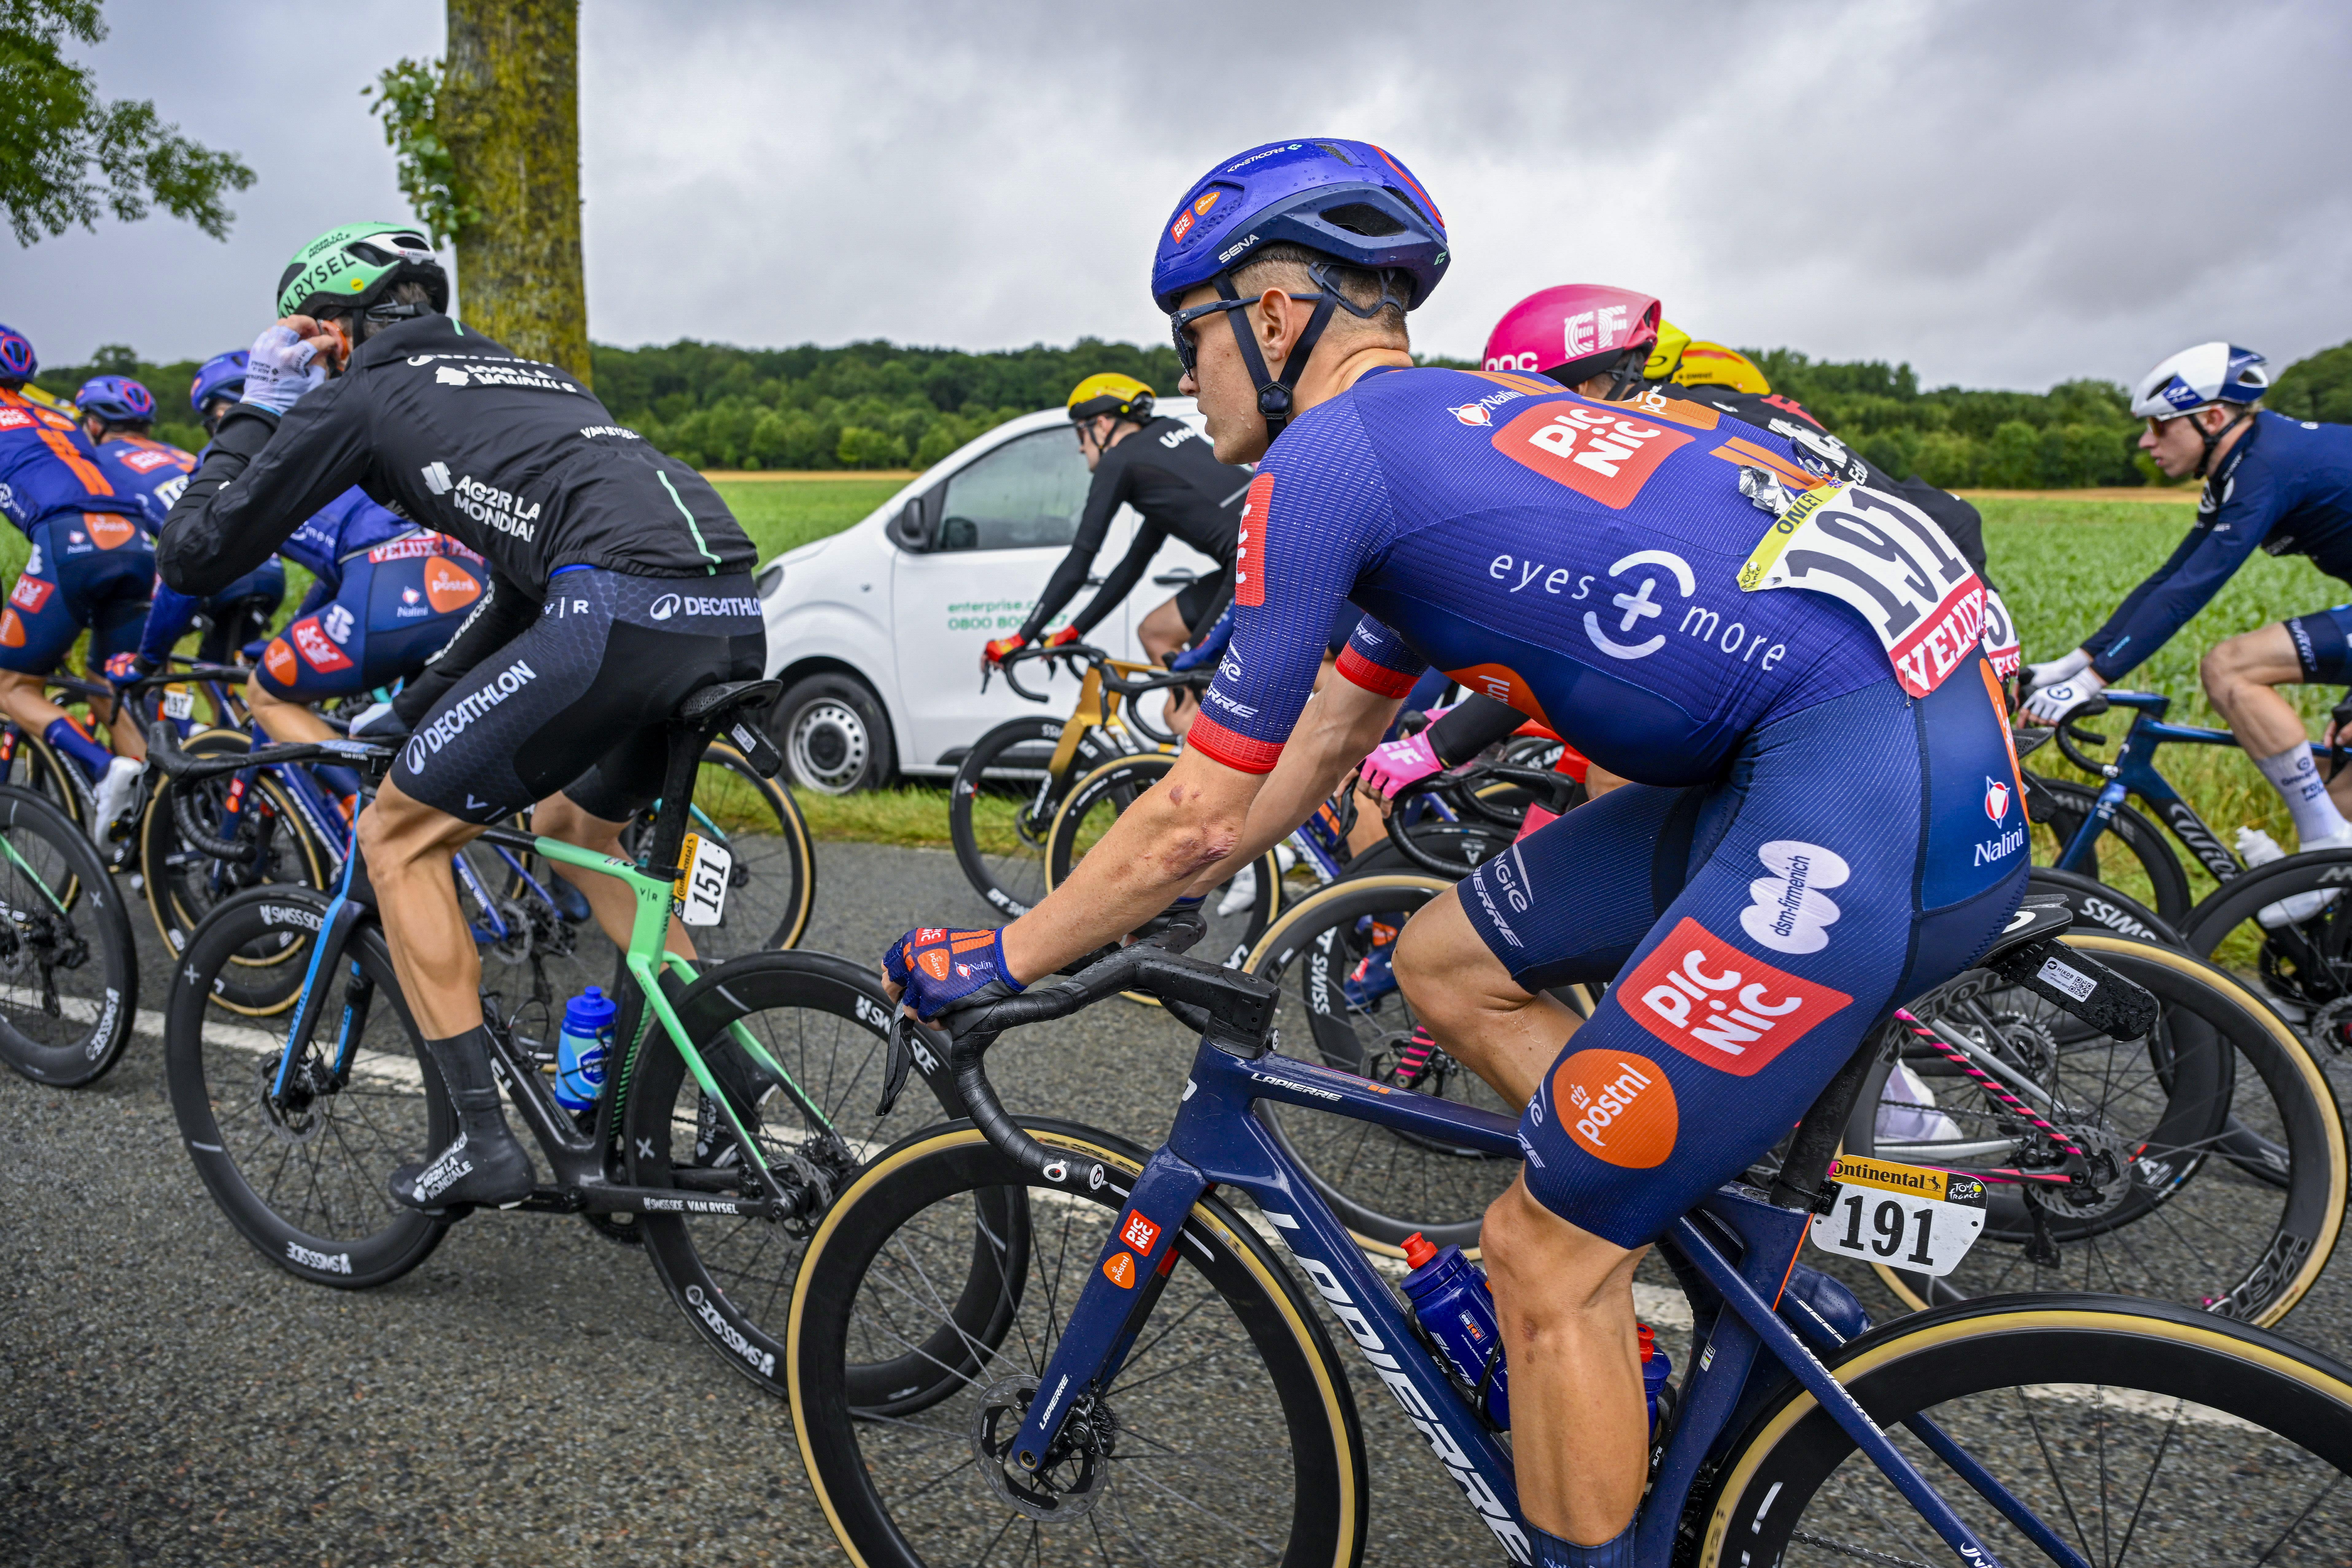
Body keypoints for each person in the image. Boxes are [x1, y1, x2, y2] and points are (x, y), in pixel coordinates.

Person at [878, 141, 2025, 1567]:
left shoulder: (1330, 456)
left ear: (1277, 314)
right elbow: (1303, 758)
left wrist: (1003, 950)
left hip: (1858, 795)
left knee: (1537, 1250)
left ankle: (1593, 1270)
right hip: (1867, 758)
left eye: (1193, 339)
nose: (1191, 381)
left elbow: (1196, 816)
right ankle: (1667, 1213)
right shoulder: (1454, 430)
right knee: (1441, 954)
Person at [159, 222, 763, 1214]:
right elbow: (525, 590)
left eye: (305, 344)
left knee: (395, 834)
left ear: (333, 332)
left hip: (614, 613)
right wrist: (420, 706)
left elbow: (195, 555)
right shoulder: (538, 379)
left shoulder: (362, 393)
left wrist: (255, 415)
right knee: (576, 831)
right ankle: (739, 1082)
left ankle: (481, 1143)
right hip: (728, 612)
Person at [1365, 285, 2018, 812]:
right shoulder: (1705, 408)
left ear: (1589, 384)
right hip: (1936, 620)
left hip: (1910, 653)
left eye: (1540, 399)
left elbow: (1579, 625)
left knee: (1621, 782)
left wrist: (1443, 743)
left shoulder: (1657, 439)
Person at [2023, 342, 2352, 916]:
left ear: (2213, 418)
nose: (2146, 441)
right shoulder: (2242, 462)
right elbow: (2168, 575)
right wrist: (2073, 664)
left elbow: (2194, 587)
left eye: (2159, 425)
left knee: (2230, 668)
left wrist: (2092, 682)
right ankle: (2319, 988)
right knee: (2340, 791)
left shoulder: (2263, 466)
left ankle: (2324, 849)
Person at [981, 372, 1251, 733]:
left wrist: (1021, 637)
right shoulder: (1162, 441)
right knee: (1157, 632)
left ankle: (1230, 775)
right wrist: (1075, 630)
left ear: (1102, 424)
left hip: (1250, 563)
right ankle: (1199, 737)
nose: (1081, 448)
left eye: (1081, 434)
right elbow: (1134, 563)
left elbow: (1080, 561)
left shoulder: (1120, 461)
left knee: (1195, 698)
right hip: (1261, 553)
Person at [0, 324, 154, 836]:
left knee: (10, 686)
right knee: (106, 687)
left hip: (71, 546)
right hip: (134, 543)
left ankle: (101, 766)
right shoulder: (59, 417)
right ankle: (159, 828)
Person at [76, 370, 290, 717]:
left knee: (150, 654)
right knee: (213, 669)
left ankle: (177, 733)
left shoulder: (97, 462)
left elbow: (114, 543)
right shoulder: (174, 453)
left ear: (95, 425)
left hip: (206, 565)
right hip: (267, 570)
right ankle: (231, 737)